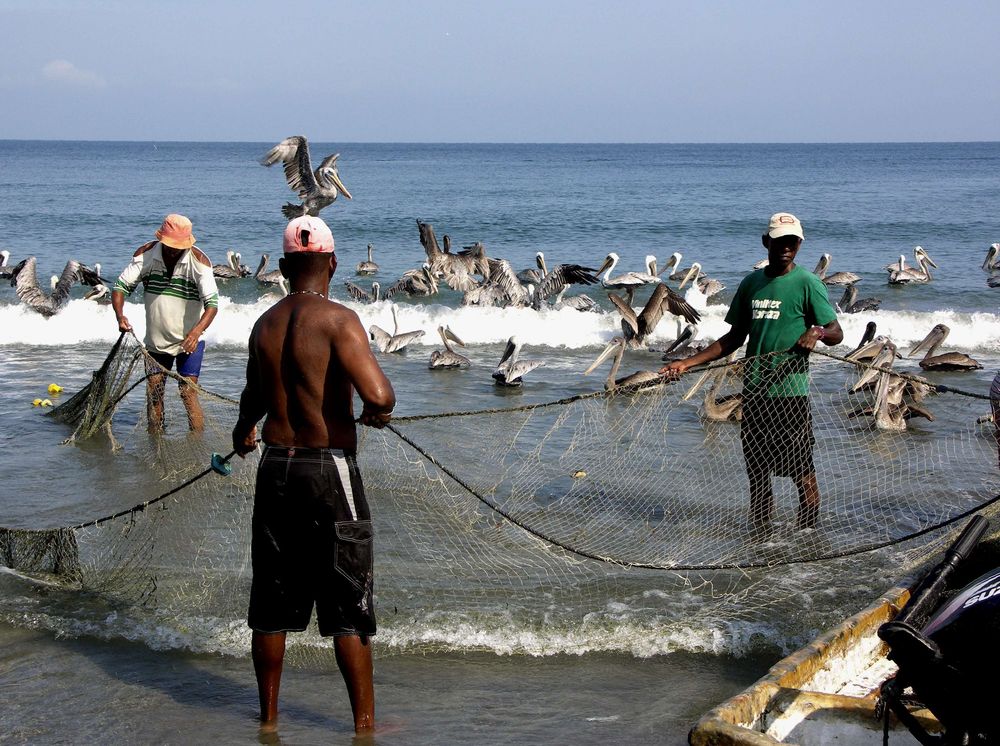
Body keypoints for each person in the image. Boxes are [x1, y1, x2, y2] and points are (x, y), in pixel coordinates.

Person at [231, 215, 395, 734]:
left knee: (271, 601)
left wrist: (242, 432)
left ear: (281, 268)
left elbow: (253, 399)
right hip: (330, 470)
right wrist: (376, 412)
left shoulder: (264, 324)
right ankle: (364, 725)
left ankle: (269, 719)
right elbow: (380, 395)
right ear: (333, 263)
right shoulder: (340, 319)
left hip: (275, 467)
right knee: (349, 599)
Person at [661, 212, 843, 537]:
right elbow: (733, 338)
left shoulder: (808, 283)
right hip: (755, 395)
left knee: (803, 475)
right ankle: (761, 540)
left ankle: (809, 538)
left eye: (792, 241)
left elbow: (836, 331)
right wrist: (686, 363)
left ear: (799, 244)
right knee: (757, 476)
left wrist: (815, 333)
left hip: (790, 395)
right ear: (766, 241)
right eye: (779, 240)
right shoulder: (751, 283)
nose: (786, 247)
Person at [112, 214, 219, 432]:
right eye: (169, 245)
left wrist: (196, 332)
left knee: (188, 393)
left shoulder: (199, 262)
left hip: (190, 341)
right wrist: (119, 315)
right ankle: (156, 438)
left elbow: (212, 305)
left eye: (177, 247)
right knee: (154, 391)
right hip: (155, 342)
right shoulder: (146, 256)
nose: (172, 250)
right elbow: (120, 288)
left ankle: (194, 443)